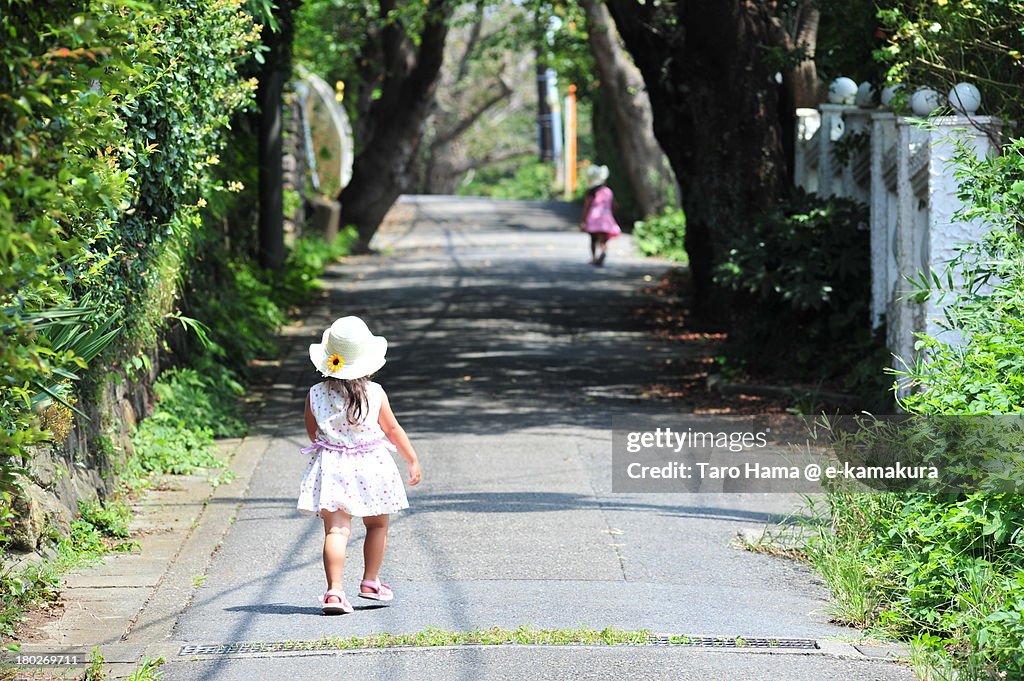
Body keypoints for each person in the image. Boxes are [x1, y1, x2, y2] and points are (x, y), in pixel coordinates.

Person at [297, 316, 422, 615]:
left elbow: (311, 429)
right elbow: (393, 430)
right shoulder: (375, 393)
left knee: (336, 532)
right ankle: (370, 581)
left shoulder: (315, 393)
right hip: (372, 466)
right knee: (377, 525)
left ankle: (334, 592)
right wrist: (412, 458)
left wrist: (333, 444)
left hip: (332, 466)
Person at [579, 164, 622, 266]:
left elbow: (587, 207)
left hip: (594, 217)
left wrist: (583, 220)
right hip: (605, 218)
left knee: (593, 239)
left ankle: (594, 258)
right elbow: (615, 206)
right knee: (603, 240)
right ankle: (603, 252)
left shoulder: (591, 193)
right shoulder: (608, 191)